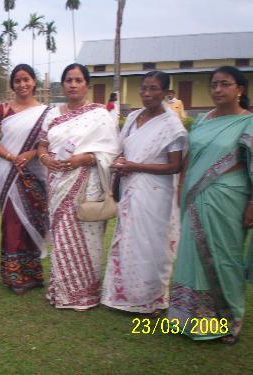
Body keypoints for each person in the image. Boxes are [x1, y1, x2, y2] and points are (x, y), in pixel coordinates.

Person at [168, 66, 252, 344]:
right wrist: (181, 187)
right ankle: (189, 315)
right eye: (213, 85)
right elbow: (191, 158)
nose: (217, 90)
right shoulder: (202, 119)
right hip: (193, 195)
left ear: (239, 89)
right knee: (191, 253)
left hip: (228, 197)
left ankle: (230, 319)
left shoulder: (248, 123)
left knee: (225, 256)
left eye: (224, 84)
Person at [101, 71, 187, 315]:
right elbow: (122, 149)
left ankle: (151, 299)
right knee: (128, 240)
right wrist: (120, 163)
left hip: (155, 193)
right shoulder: (134, 117)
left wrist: (134, 166)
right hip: (130, 188)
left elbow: (175, 166)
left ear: (165, 93)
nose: (147, 94)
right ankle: (124, 296)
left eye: (154, 89)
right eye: (144, 88)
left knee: (151, 245)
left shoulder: (172, 126)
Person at [37, 64, 120, 310]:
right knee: (61, 236)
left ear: (87, 85)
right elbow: (42, 145)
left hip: (88, 184)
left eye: (78, 80)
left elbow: (111, 152)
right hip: (58, 182)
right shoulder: (52, 114)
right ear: (62, 85)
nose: (73, 84)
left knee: (88, 235)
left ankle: (87, 293)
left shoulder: (100, 115)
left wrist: (85, 159)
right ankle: (63, 292)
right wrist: (45, 159)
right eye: (68, 80)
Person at [0, 64, 50, 294]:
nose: (22, 84)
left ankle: (32, 272)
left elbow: (46, 142)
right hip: (9, 172)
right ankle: (15, 275)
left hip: (33, 172)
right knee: (12, 221)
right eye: (18, 80)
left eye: (26, 79)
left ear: (34, 82)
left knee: (33, 219)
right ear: (12, 84)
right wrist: (12, 157)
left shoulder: (46, 112)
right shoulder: (3, 110)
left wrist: (31, 153)